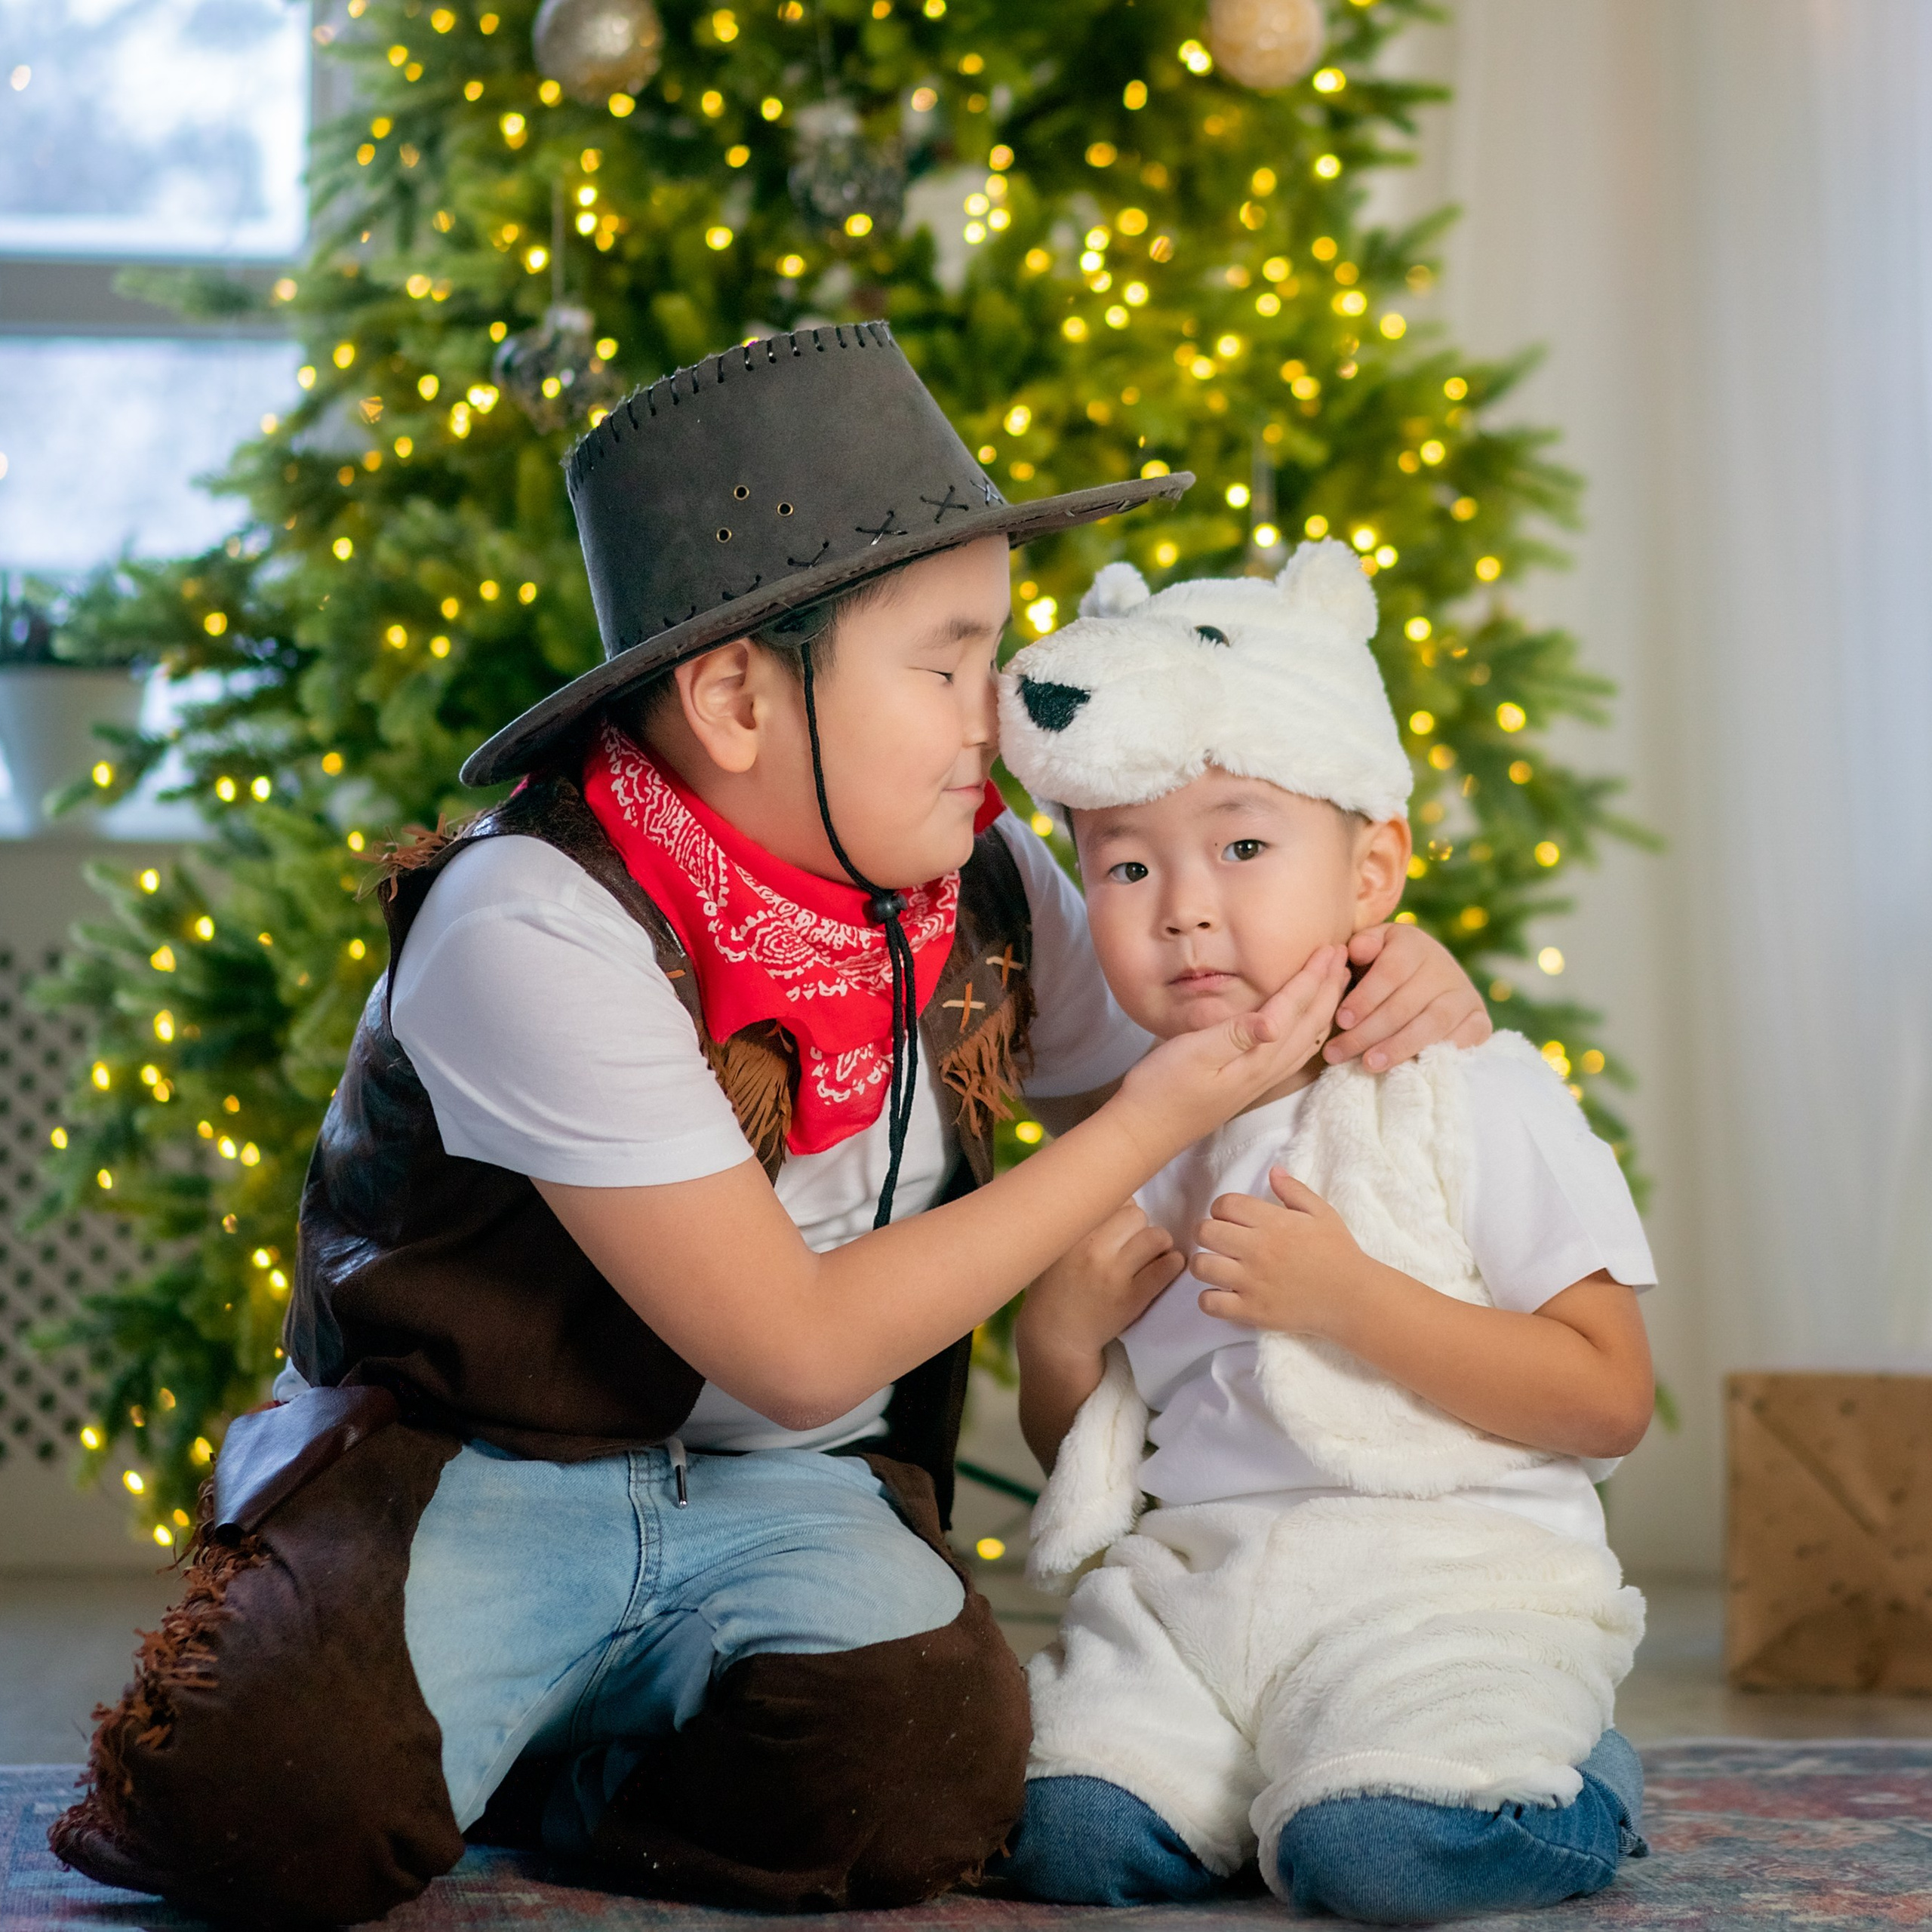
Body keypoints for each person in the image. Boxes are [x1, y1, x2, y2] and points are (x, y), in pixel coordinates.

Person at [51, 327, 1491, 1925]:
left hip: (791, 1496)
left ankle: (572, 1771)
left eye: (999, 652)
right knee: (272, 1807)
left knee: (929, 1775)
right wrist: (1146, 1116)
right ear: (738, 696)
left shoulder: (984, 881)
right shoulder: (532, 918)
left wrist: (1380, 973)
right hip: (481, 1469)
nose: (1002, 715)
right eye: (946, 664)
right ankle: (434, 1708)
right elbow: (797, 1346)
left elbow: (1226, 1049)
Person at [991, 541, 1657, 1924]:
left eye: (1243, 847)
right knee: (1062, 1838)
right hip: (1203, 1601)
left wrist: (1351, 1301)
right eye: (1126, 867)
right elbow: (1094, 1461)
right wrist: (1056, 1338)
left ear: (1372, 873)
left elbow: (1607, 1397)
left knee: (1378, 1855)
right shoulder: (1127, 1144)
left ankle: (1565, 1768)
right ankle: (1259, 1770)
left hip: (1448, 1593)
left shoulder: (1465, 1094)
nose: (1185, 907)